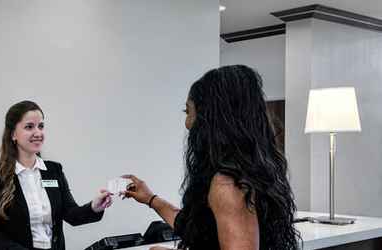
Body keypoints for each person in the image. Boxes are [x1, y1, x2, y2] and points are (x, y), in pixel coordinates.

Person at [121, 65, 299, 250]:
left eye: (188, 111)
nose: (187, 123)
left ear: (211, 118)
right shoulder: (249, 172)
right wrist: (151, 199)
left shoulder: (228, 185)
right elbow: (200, 231)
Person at [0, 100, 113, 250]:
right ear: (13, 134)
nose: (38, 133)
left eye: (41, 126)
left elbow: (71, 214)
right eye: (29, 127)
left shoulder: (54, 170)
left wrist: (94, 207)